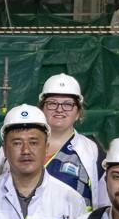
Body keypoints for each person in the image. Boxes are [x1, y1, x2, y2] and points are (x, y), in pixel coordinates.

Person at [39, 73, 107, 210]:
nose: (59, 109)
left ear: (78, 113)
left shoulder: (93, 151)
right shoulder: (18, 144)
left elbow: (105, 202)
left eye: (68, 104)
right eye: (52, 103)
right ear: (42, 109)